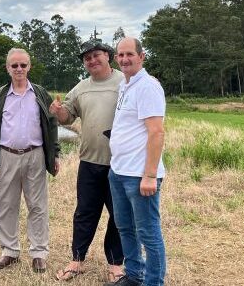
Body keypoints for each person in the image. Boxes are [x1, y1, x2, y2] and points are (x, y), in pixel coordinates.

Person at [49, 39, 125, 282]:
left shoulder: (125, 82)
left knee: (119, 215)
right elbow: (66, 116)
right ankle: (77, 260)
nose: (92, 61)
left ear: (108, 56)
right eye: (87, 58)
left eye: (96, 55)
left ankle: (115, 264)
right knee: (84, 213)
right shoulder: (81, 87)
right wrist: (58, 111)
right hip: (90, 161)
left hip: (121, 163)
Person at [0, 48, 60, 273]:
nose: (19, 69)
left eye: (23, 65)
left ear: (29, 67)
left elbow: (52, 123)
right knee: (6, 205)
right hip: (6, 155)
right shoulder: (0, 95)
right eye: (14, 65)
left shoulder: (40, 93)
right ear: (8, 68)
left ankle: (38, 253)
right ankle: (9, 251)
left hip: (35, 155)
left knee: (37, 205)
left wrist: (54, 153)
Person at [106, 37, 166, 286]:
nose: (124, 59)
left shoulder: (147, 86)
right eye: (120, 55)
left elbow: (156, 132)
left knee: (148, 233)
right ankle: (133, 275)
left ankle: (154, 282)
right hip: (118, 171)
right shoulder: (125, 85)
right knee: (125, 229)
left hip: (139, 175)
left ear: (142, 56)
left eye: (129, 54)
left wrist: (150, 174)